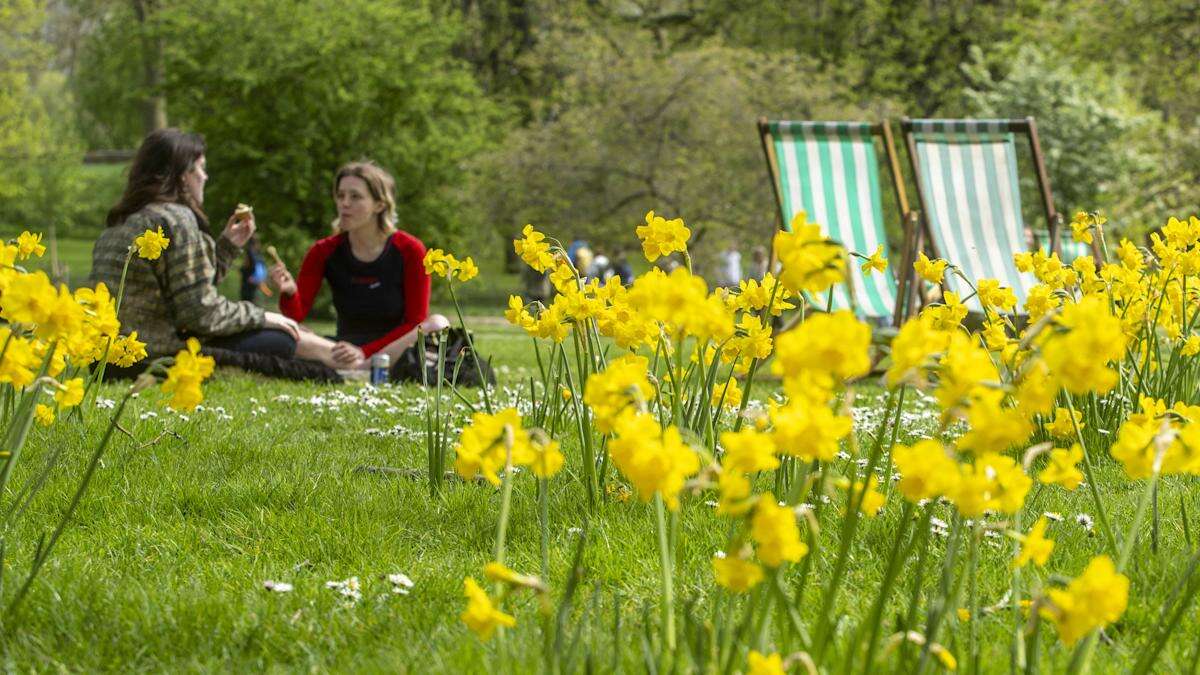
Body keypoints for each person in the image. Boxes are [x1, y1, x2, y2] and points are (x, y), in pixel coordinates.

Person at [91, 128, 347, 373]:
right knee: (281, 339)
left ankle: (344, 355)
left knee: (285, 332)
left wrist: (227, 247)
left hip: (107, 357)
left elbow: (183, 290)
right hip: (152, 354)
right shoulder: (177, 218)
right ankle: (349, 361)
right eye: (200, 168)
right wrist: (263, 316)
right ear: (182, 174)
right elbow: (199, 314)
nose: (205, 177)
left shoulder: (121, 221)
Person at [267, 161, 450, 372]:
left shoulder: (411, 249)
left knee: (438, 324)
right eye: (340, 195)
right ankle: (363, 369)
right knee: (284, 330)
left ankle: (363, 367)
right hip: (340, 348)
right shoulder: (322, 251)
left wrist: (365, 352)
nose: (344, 203)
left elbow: (415, 321)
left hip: (394, 347)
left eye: (355, 196)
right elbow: (296, 316)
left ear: (380, 205)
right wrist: (289, 292)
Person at [240, 235, 267, 302]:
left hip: (249, 287)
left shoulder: (251, 254)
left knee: (247, 303)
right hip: (257, 285)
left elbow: (245, 267)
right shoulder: (260, 256)